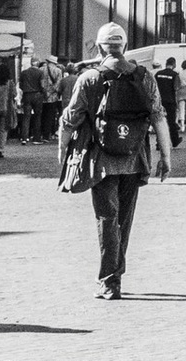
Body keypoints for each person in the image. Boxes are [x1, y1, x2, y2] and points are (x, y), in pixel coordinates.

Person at [61, 21, 170, 296]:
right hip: (134, 158)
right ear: (125, 47)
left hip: (101, 159)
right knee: (124, 219)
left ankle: (110, 281)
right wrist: (165, 156)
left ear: (99, 48)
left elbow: (70, 120)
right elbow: (158, 116)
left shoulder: (89, 78)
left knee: (106, 218)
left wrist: (62, 153)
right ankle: (115, 275)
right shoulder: (144, 77)